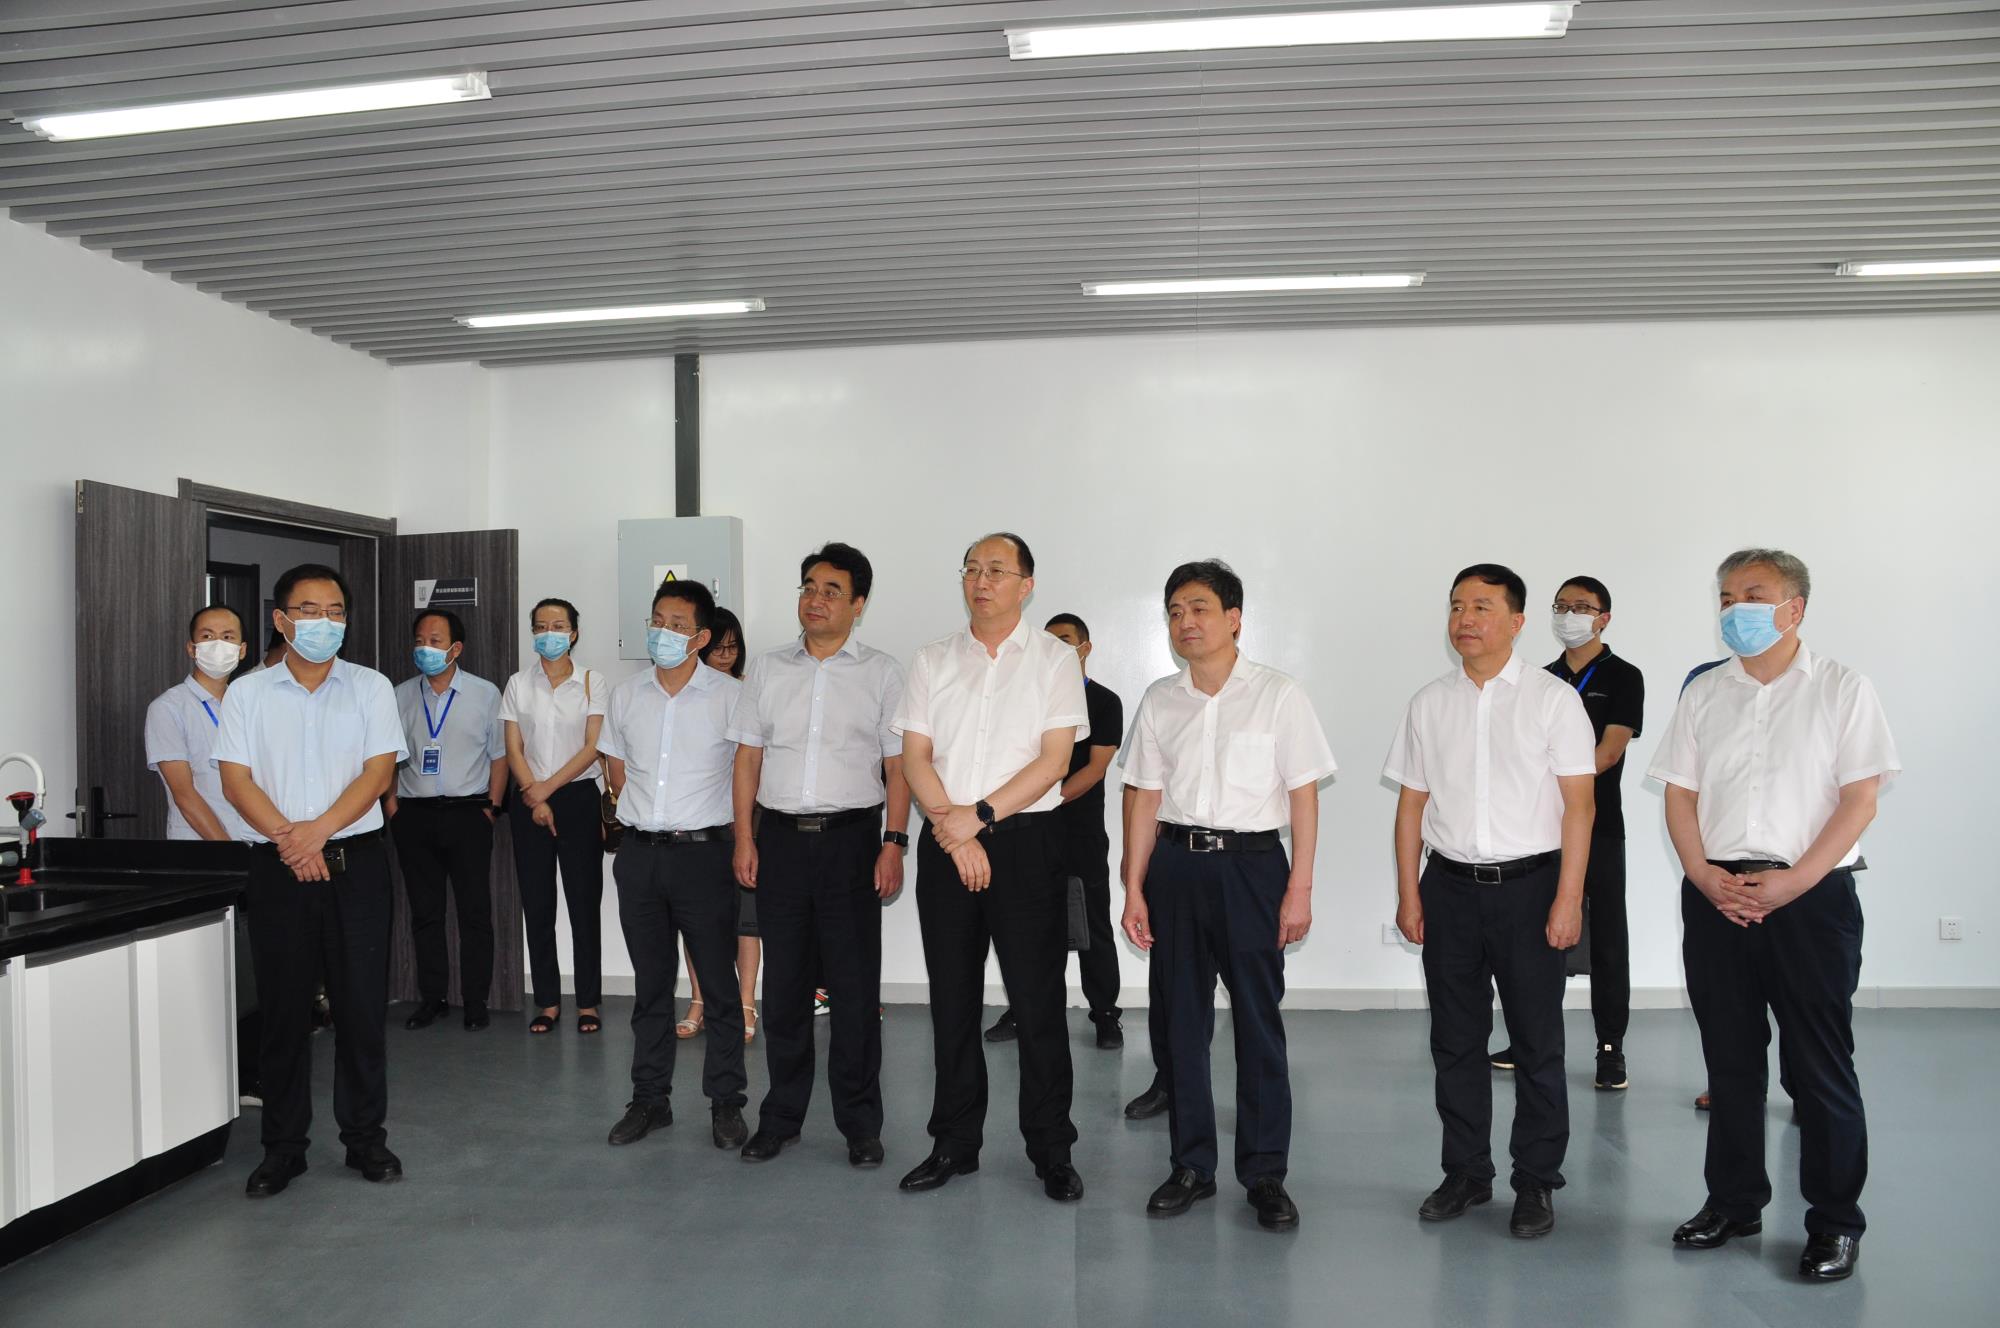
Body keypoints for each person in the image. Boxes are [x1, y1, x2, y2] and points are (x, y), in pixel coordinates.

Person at [1651, 549, 1899, 1283]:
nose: (1735, 610)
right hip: (1718, 895)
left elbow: (1860, 799)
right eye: (1726, 597)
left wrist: (1795, 882)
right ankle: (1733, 1202)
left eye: (1752, 595)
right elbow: (1680, 794)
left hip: (1811, 897)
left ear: (1795, 608)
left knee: (1818, 1066)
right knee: (1730, 1061)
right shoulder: (1705, 692)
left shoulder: (1843, 688)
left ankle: (1835, 1223)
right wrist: (1701, 874)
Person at [1121, 561, 1336, 1231]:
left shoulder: (1278, 695)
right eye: (1175, 612)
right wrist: (1133, 885)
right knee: (1181, 1027)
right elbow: (1145, 797)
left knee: (1257, 1024)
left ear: (1234, 618)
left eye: (1199, 609)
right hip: (1176, 868)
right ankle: (1191, 1166)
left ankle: (1265, 1173)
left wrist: (1299, 888)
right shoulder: (1160, 700)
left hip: (1252, 869)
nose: (1185, 622)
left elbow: (1303, 797)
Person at [1385, 564, 1595, 1239]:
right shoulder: (1429, 703)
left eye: (1481, 606)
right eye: (1456, 606)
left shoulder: (1552, 700)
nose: (1465, 619)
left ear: (1516, 621)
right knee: (1454, 1040)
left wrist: (1568, 900)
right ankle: (1467, 1173)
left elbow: (1580, 808)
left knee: (1537, 1042)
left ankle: (1535, 1180)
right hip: (1448, 889)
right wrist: (1409, 892)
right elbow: (1411, 806)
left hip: (1531, 890)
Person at [891, 532, 1088, 1202]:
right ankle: (954, 1142)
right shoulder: (932, 659)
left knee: (1037, 1003)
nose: (981, 580)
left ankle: (1051, 1149)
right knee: (952, 1001)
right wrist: (955, 831)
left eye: (997, 570)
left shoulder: (1055, 659)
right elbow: (915, 757)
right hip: (948, 838)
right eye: (972, 569)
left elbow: (1054, 761)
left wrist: (977, 817)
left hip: (1025, 843)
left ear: (1026, 585)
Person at [215, 563, 407, 1198]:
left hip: (357, 867)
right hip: (278, 867)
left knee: (360, 1010)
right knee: (283, 1012)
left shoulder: (371, 687)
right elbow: (236, 781)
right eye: (309, 610)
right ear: (281, 619)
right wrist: (292, 842)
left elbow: (378, 773)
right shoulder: (247, 693)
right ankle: (283, 1148)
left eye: (335, 612)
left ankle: (365, 1139)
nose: (324, 622)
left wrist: (317, 832)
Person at [731, 543, 909, 1168]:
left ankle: (860, 1124)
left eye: (832, 590)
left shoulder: (882, 673)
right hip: (779, 840)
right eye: (809, 586)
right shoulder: (768, 669)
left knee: (854, 991)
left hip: (852, 843)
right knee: (784, 989)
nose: (816, 599)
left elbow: (898, 767)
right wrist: (745, 837)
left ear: (859, 605)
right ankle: (780, 1118)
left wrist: (893, 843)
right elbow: (748, 759)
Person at [598, 578, 750, 1149]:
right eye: (657, 620)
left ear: (701, 637)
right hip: (639, 855)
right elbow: (616, 770)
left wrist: (741, 841)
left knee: (718, 984)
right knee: (651, 985)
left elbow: (746, 776)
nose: (663, 632)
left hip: (704, 855)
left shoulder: (730, 697)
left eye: (678, 625)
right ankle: (649, 1100)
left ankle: (726, 1102)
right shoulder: (626, 695)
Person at [1490, 576, 1645, 1091]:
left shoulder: (1623, 676)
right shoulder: (1542, 679)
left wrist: (1559, 783)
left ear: (1604, 618)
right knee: (1538, 937)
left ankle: (1610, 1047)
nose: (1569, 615)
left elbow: (1610, 751)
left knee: (1607, 939)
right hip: (1541, 831)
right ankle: (1530, 1039)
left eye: (1582, 607)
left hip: (1599, 825)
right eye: (1561, 606)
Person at [986, 613, 1125, 1049]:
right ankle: (1023, 1010)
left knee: (1092, 925)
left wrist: (1046, 797)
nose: (1057, 648)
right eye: (1049, 641)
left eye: (1066, 640)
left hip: (1080, 833)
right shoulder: (1031, 698)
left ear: (1085, 648)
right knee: (1027, 928)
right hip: (1028, 831)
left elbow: (1096, 768)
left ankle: (1105, 1013)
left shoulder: (1104, 701)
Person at [386, 610, 508, 1033]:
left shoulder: (485, 693)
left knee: (474, 913)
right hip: (413, 815)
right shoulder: (399, 695)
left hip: (468, 814)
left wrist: (492, 808)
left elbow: (499, 756)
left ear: (456, 648)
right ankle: (432, 998)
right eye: (420, 640)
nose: (425, 648)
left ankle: (475, 1000)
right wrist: (391, 806)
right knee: (425, 913)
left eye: (435, 641)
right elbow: (385, 758)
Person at [499, 598, 606, 1036]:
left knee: (584, 904)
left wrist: (548, 788)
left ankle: (588, 1002)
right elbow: (513, 747)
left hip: (577, 798)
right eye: (541, 626)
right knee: (538, 904)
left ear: (574, 633)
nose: (549, 633)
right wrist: (534, 793)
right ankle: (547, 1001)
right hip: (528, 799)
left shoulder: (592, 681)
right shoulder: (518, 684)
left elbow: (593, 747)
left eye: (558, 626)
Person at [680, 607, 762, 1045]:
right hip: (699, 821)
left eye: (733, 647)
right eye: (719, 648)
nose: (726, 656)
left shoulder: (750, 692)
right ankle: (699, 1000)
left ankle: (746, 1002)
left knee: (747, 919)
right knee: (696, 920)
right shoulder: (685, 696)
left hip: (746, 818)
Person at [145, 604, 253, 843]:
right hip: (202, 845)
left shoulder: (248, 704)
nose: (218, 644)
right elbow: (184, 795)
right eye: (207, 636)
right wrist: (229, 851)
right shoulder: (168, 708)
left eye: (228, 637)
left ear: (242, 650)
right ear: (192, 649)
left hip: (255, 841)